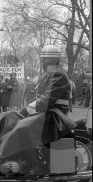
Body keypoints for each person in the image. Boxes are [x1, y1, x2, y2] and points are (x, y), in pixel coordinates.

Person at [20, 44, 72, 174]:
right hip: (49, 112)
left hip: (55, 115)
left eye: (43, 59)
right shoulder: (49, 74)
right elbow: (40, 96)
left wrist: (27, 109)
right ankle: (32, 162)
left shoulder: (58, 74)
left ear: (44, 60)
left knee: (22, 131)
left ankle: (34, 166)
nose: (43, 61)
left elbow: (46, 99)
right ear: (57, 59)